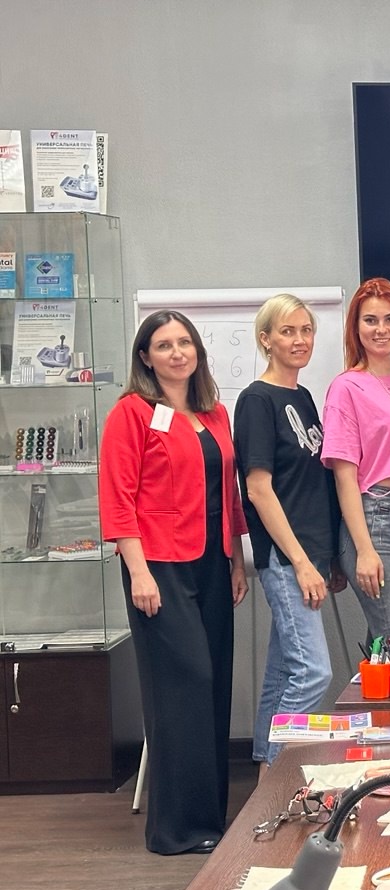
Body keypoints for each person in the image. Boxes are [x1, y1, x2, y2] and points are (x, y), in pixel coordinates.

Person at [99, 310, 249, 854]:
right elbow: (117, 497)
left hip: (212, 562)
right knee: (183, 689)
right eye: (164, 345)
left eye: (185, 342)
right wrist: (138, 571)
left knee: (213, 688)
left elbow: (228, 494)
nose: (177, 352)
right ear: (146, 356)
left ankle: (209, 819)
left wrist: (236, 561)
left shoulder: (214, 413)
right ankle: (175, 829)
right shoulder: (132, 412)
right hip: (158, 567)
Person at [235, 294, 344, 771]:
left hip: (312, 555)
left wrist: (328, 558)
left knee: (283, 673)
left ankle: (266, 772)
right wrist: (300, 562)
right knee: (313, 672)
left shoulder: (302, 397)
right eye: (287, 331)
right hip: (285, 559)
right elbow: (259, 490)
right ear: (266, 340)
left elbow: (312, 485)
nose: (300, 340)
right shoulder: (256, 401)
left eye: (306, 330)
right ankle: (280, 776)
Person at [322, 278, 390, 646]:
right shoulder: (347, 387)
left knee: (388, 648)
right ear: (356, 328)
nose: (381, 329)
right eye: (370, 320)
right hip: (376, 520)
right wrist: (364, 550)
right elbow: (344, 477)